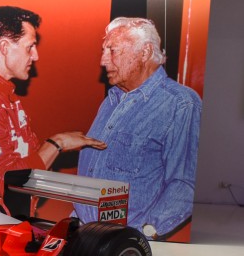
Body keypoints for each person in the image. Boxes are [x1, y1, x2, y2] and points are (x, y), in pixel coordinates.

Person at [0, 6, 106, 205]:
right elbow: (6, 181)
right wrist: (58, 143)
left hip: (11, 223)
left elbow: (28, 161)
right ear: (4, 47)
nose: (35, 56)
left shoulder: (0, 96)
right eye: (29, 47)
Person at [74, 17, 201, 239]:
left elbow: (185, 184)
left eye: (112, 51)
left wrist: (145, 233)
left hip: (127, 243)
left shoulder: (180, 104)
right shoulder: (112, 100)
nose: (103, 61)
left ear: (144, 52)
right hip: (86, 233)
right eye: (103, 51)